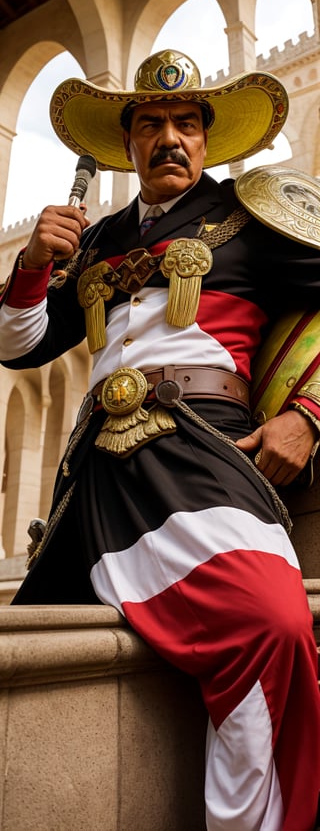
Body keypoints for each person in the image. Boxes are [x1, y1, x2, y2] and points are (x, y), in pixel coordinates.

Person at [0, 48, 320, 831]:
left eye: (185, 123)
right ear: (129, 145)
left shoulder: (254, 217)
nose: (170, 137)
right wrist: (34, 264)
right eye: (151, 125)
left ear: (206, 142)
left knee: (274, 628)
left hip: (206, 459)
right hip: (96, 481)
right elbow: (18, 345)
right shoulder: (97, 238)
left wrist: (307, 415)